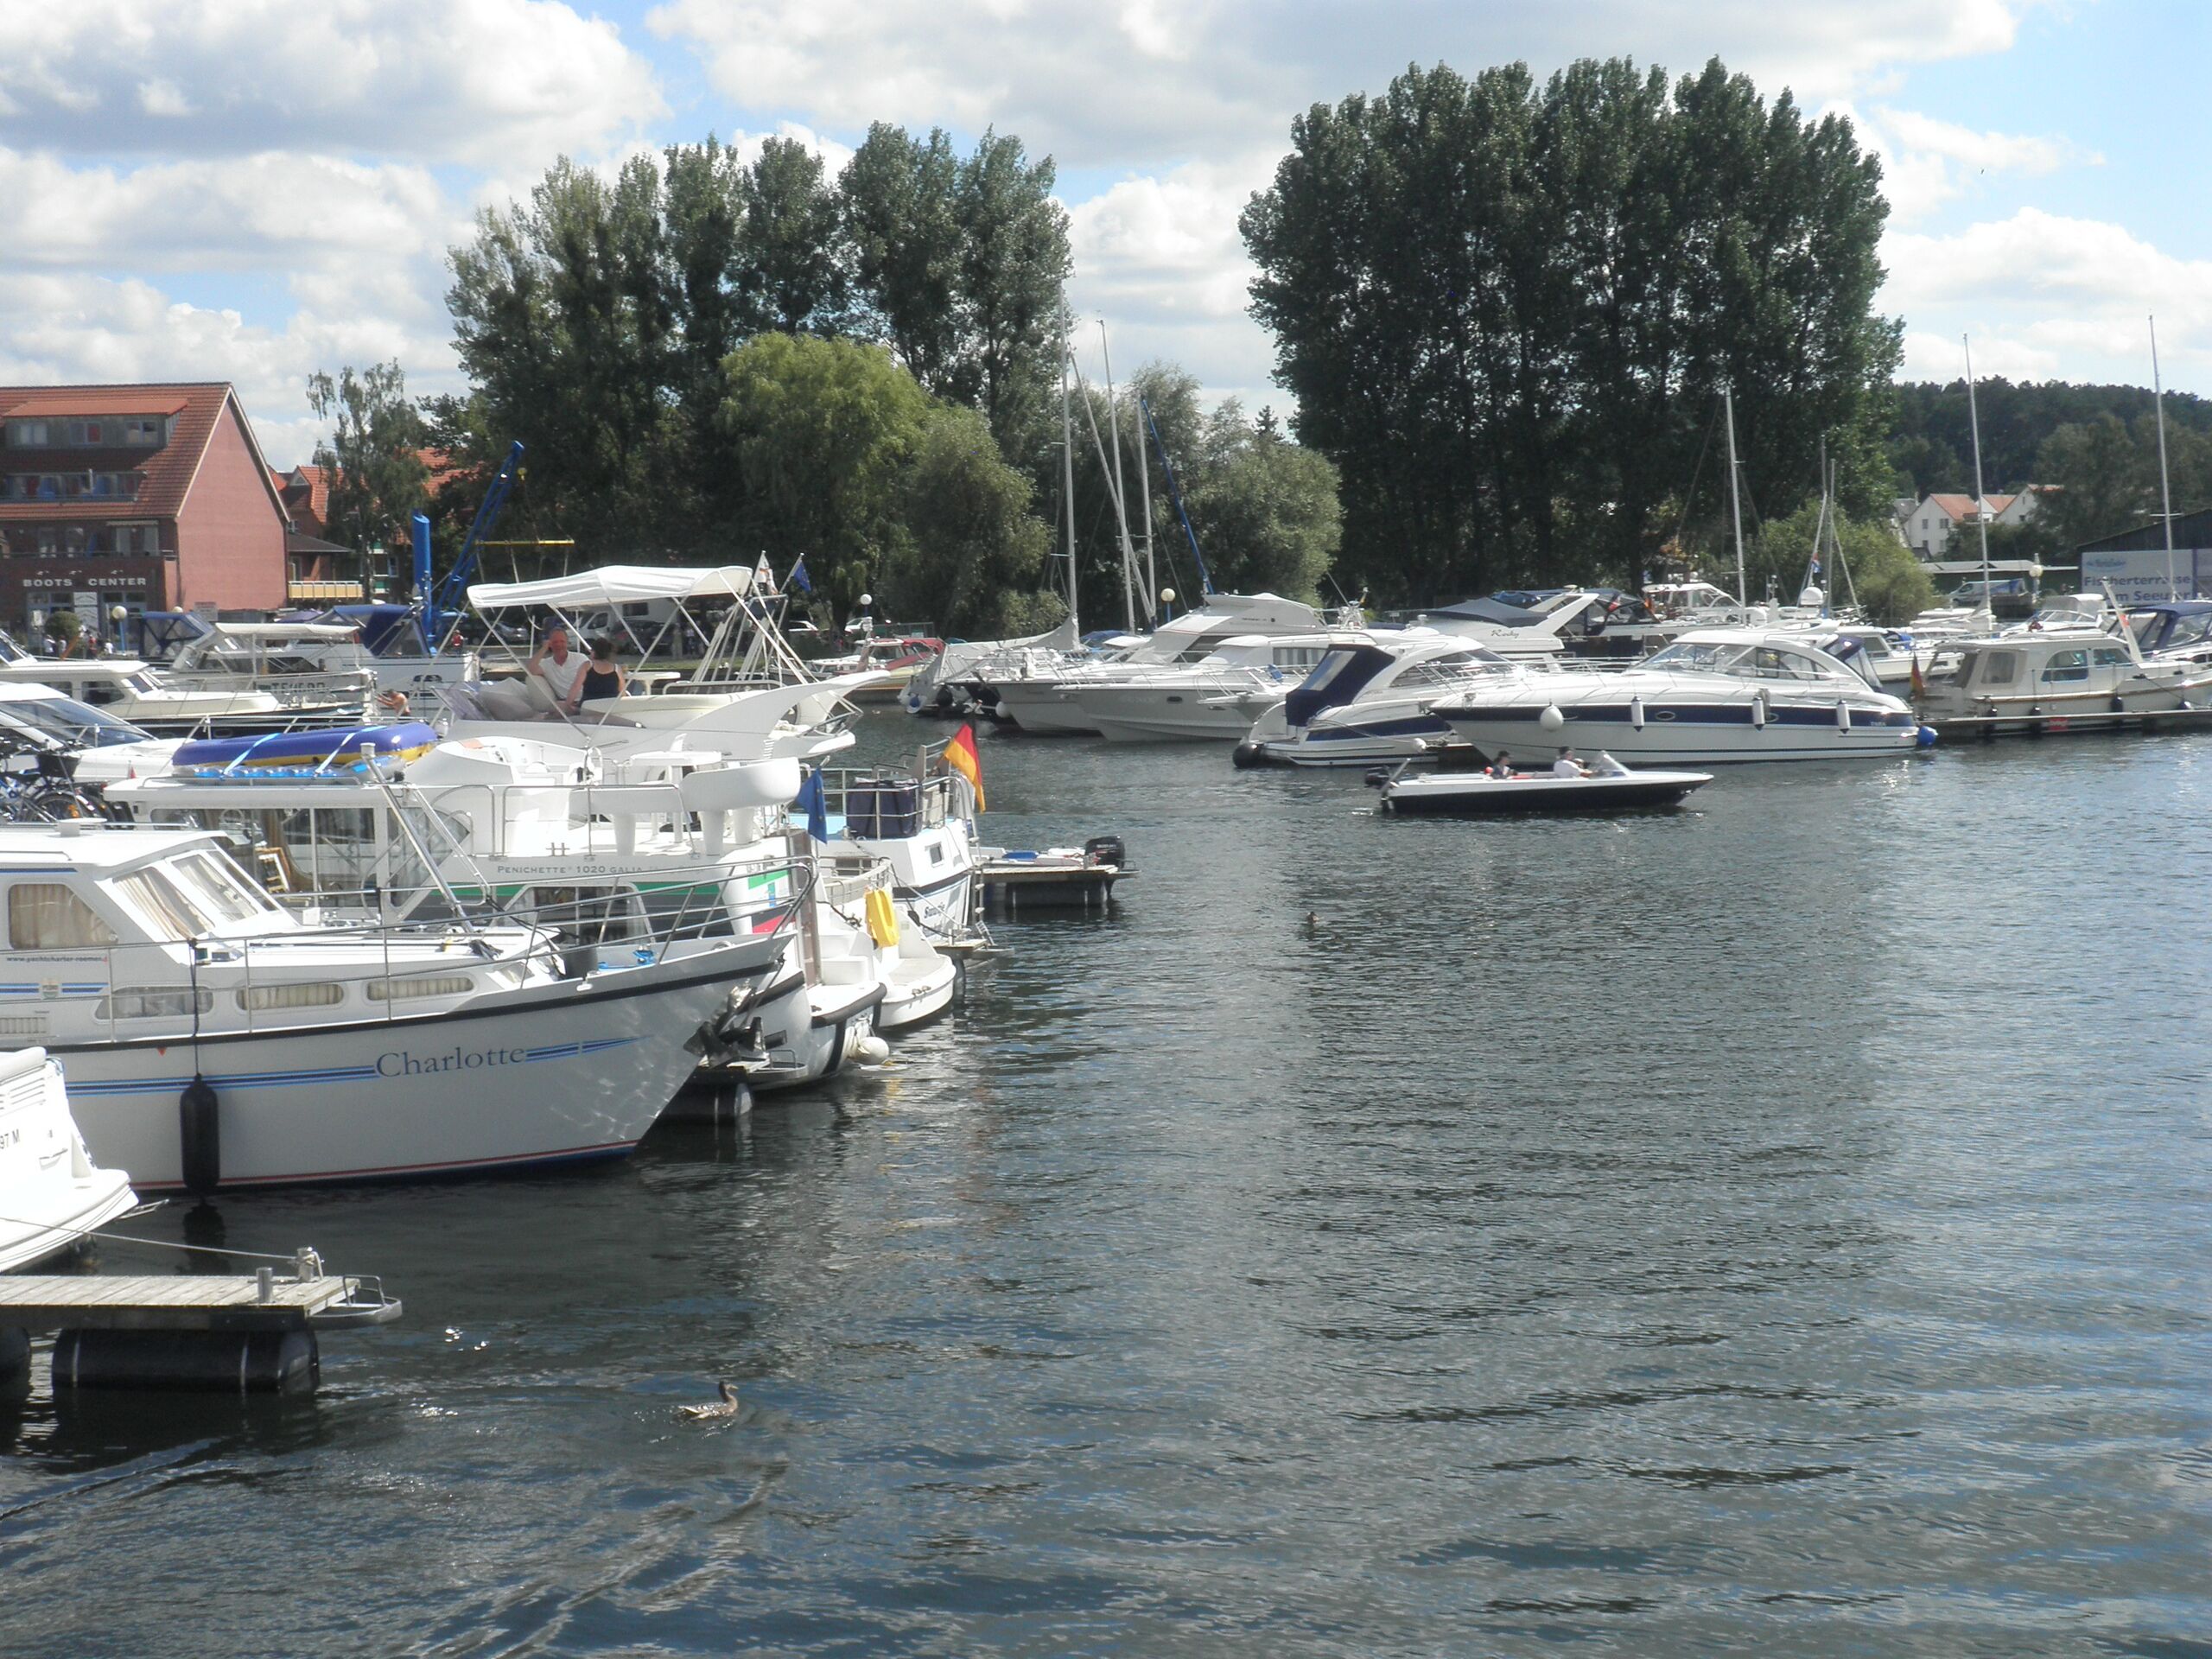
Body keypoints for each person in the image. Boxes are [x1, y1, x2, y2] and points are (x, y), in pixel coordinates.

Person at [567, 637, 629, 711]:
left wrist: (568, 704)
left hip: (589, 708)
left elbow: (575, 687)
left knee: (559, 706)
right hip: (610, 709)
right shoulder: (617, 669)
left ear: (594, 652)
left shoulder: (587, 666)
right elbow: (622, 693)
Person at [528, 626, 585, 706]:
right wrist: (543, 648)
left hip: (585, 700)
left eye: (562, 641)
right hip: (566, 704)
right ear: (550, 644)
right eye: (555, 642)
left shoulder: (580, 658)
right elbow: (530, 670)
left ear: (567, 642)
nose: (559, 645)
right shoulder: (546, 664)